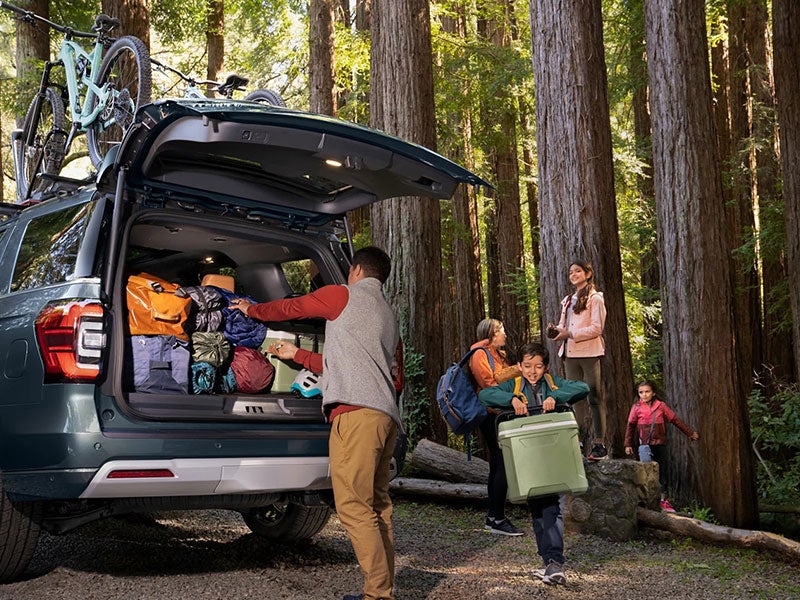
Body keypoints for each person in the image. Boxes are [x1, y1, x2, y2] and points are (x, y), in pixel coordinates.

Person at [229, 246, 399, 600]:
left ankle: (378, 595)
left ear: (355, 270)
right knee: (378, 504)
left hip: (355, 415)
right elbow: (350, 364)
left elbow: (293, 307)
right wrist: (298, 356)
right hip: (384, 416)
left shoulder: (341, 296)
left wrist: (252, 310)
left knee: (353, 504)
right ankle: (382, 589)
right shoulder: (386, 313)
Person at [479, 342, 589, 586]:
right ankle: (549, 562)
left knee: (552, 505)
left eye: (538, 366)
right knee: (538, 508)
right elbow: (485, 394)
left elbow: (583, 387)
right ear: (519, 366)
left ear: (546, 366)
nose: (532, 371)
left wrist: (555, 396)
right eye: (527, 366)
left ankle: (553, 562)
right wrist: (512, 399)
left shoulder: (554, 383)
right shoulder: (514, 385)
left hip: (553, 453)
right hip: (527, 457)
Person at [547, 259, 608, 461]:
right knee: (575, 398)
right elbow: (563, 326)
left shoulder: (595, 298)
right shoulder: (568, 299)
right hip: (570, 354)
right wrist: (555, 331)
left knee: (594, 396)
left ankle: (600, 444)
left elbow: (597, 328)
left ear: (588, 274)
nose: (574, 275)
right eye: (571, 272)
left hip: (589, 353)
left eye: (578, 271)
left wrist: (569, 333)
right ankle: (578, 442)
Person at [468, 318, 522, 536]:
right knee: (502, 465)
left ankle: (493, 516)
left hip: (501, 414)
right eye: (501, 330)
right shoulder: (479, 354)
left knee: (498, 465)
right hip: (492, 415)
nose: (505, 334)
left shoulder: (495, 354)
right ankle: (498, 519)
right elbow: (489, 385)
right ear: (491, 333)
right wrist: (515, 372)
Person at [624, 380, 700, 512]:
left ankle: (663, 500)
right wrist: (628, 444)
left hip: (660, 444)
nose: (644, 395)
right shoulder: (636, 407)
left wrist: (690, 433)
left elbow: (675, 420)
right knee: (645, 472)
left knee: (662, 472)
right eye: (641, 392)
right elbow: (630, 426)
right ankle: (647, 501)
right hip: (644, 445)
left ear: (653, 393)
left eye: (647, 391)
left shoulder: (661, 406)